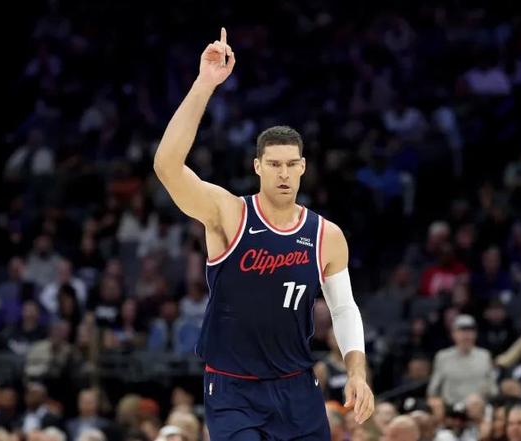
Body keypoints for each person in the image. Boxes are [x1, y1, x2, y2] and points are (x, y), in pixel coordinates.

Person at [153, 27, 374, 440]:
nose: (283, 173)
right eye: (274, 164)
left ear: (303, 167)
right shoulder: (229, 213)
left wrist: (357, 372)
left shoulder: (326, 235)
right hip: (233, 389)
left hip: (297, 386)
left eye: (291, 164)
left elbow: (343, 309)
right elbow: (167, 165)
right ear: (258, 167)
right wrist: (205, 83)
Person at [427, 314, 497, 405]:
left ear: (475, 334)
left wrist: (484, 396)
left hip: (479, 406)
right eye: (462, 331)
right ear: (453, 334)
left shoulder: (484, 355)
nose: (466, 336)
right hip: (451, 407)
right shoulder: (443, 356)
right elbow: (433, 390)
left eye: (470, 331)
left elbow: (493, 389)